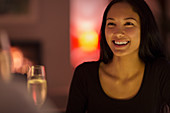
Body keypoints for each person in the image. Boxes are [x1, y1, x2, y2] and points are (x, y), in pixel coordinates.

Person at [66, 0, 170, 113]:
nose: (118, 33)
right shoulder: (84, 75)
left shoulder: (160, 72)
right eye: (111, 24)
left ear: (145, 29)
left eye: (128, 24)